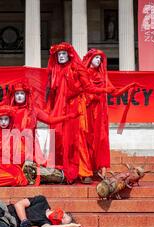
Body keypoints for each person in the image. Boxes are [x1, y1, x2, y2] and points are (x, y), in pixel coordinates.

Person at [46, 42, 114, 185]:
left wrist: (104, 91)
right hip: (61, 108)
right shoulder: (55, 72)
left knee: (79, 139)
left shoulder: (77, 68)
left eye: (63, 54)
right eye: (59, 54)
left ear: (69, 55)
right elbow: (53, 93)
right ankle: (65, 171)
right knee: (62, 139)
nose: (61, 57)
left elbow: (88, 87)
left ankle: (85, 172)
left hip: (76, 108)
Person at [82, 49, 139, 178]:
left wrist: (129, 86)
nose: (99, 61)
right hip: (87, 110)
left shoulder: (103, 76)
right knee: (87, 139)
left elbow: (114, 92)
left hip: (100, 113)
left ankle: (100, 170)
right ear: (90, 59)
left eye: (100, 59)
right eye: (96, 58)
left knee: (101, 139)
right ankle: (87, 171)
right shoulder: (83, 74)